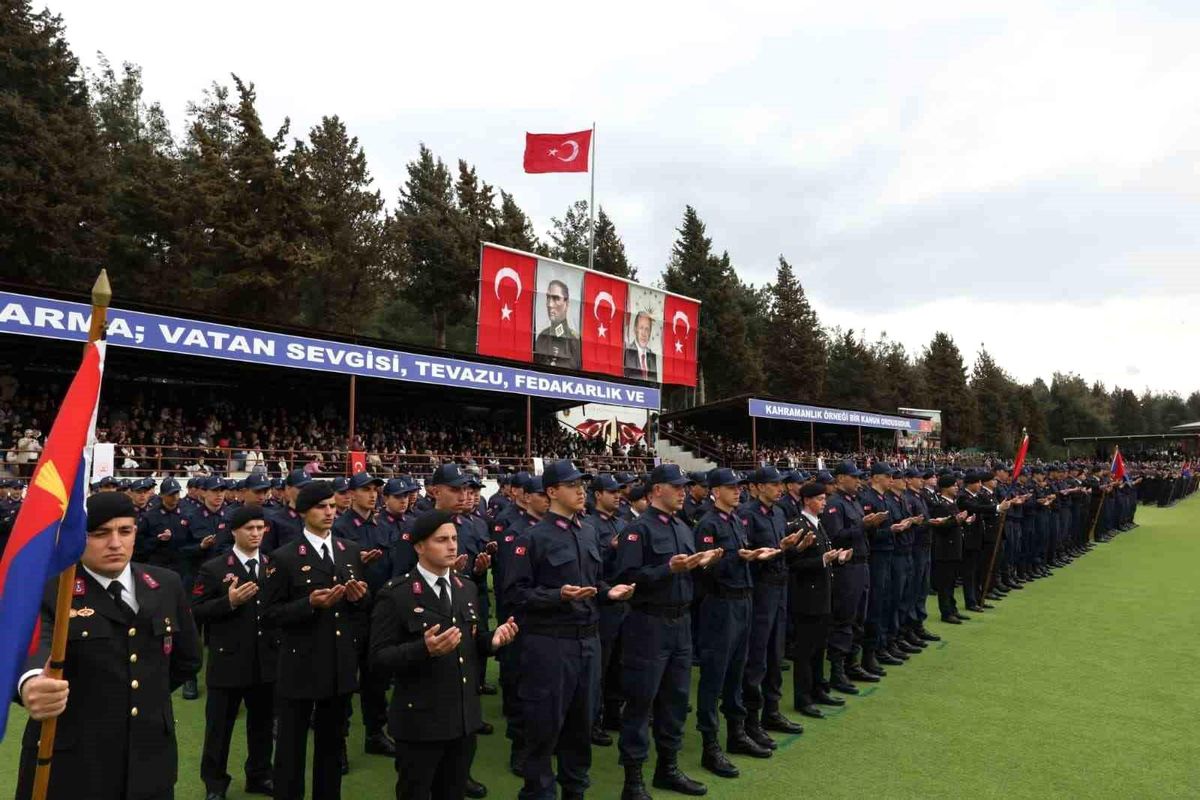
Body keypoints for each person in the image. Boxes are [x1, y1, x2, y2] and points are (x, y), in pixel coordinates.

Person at [15, 492, 202, 800]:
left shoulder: (165, 584)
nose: (115, 543)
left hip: (149, 756)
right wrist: (32, 681)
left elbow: (187, 659)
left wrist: (142, 694)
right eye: (100, 534)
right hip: (74, 760)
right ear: (77, 537)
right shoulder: (52, 591)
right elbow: (28, 648)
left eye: (125, 531)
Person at [506, 460, 635, 799]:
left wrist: (609, 592)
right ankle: (538, 792)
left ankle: (574, 790)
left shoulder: (588, 530)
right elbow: (515, 594)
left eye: (582, 484)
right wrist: (556, 596)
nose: (581, 490)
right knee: (545, 728)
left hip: (588, 642)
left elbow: (595, 581)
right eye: (572, 485)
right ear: (551, 492)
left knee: (581, 725)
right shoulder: (531, 537)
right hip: (550, 644)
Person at [370, 511, 520, 800]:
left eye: (454, 538)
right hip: (420, 721)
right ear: (419, 547)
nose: (452, 546)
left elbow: (471, 642)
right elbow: (378, 658)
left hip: (462, 719)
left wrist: (493, 641)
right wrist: (423, 649)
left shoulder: (466, 588)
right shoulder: (397, 594)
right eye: (441, 540)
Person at [613, 464, 722, 800]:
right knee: (641, 701)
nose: (683, 492)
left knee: (675, 700)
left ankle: (668, 768)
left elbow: (687, 574)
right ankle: (633, 780)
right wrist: (667, 569)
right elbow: (626, 576)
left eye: (684, 487)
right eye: (676, 487)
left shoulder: (682, 526)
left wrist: (702, 562)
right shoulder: (638, 530)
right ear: (656, 489)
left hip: (680, 622)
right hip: (648, 624)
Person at [262, 480, 371, 800]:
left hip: (338, 662)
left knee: (332, 745)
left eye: (333, 507)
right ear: (302, 512)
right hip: (300, 661)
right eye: (321, 507)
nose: (329, 513)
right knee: (291, 748)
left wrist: (357, 597)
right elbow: (268, 615)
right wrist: (309, 604)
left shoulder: (348, 550)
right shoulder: (284, 557)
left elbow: (361, 608)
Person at [192, 506, 278, 800]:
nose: (256, 534)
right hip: (228, 661)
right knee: (219, 729)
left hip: (265, 661)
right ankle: (215, 784)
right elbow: (196, 610)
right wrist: (227, 602)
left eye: (260, 528)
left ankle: (260, 775)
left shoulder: (272, 565)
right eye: (249, 529)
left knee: (263, 726)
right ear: (234, 532)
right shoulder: (215, 568)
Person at [693, 468, 773, 779]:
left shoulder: (736, 519)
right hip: (721, 603)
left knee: (737, 670)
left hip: (743, 599)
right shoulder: (708, 523)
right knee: (715, 674)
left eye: (738, 486)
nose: (737, 491)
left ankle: (736, 732)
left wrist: (749, 557)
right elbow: (704, 567)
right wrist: (740, 558)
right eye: (729, 487)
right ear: (715, 491)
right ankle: (710, 744)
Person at [331, 471, 397, 758]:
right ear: (352, 493)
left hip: (380, 612)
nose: (372, 494)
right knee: (345, 678)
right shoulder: (340, 526)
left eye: (375, 489)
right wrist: (355, 562)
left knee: (376, 678)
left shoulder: (383, 526)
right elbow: (332, 565)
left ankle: (374, 733)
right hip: (350, 611)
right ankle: (339, 741)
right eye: (366, 489)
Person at [739, 466, 806, 747]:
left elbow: (778, 549)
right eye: (773, 484)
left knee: (776, 651)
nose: (779, 488)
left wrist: (789, 547)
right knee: (758, 654)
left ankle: (772, 710)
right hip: (761, 587)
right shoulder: (747, 515)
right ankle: (751, 721)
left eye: (780, 483)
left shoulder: (779, 513)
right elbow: (746, 555)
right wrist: (777, 548)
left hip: (780, 584)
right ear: (757, 487)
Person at [788, 482, 852, 717]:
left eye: (825, 498)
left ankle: (819, 688)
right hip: (807, 597)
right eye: (819, 498)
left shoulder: (818, 524)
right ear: (806, 500)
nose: (824, 502)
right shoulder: (798, 526)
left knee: (819, 646)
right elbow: (793, 564)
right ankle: (803, 698)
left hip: (823, 594)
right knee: (805, 650)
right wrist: (823, 560)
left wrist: (837, 558)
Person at [534, 279, 582, 369]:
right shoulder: (542, 338)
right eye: (548, 297)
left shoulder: (575, 341)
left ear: (566, 303)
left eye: (556, 298)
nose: (550, 304)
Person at [623, 311, 658, 381]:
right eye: (641, 328)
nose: (644, 333)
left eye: (647, 329)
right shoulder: (627, 352)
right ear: (635, 329)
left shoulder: (653, 356)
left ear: (650, 333)